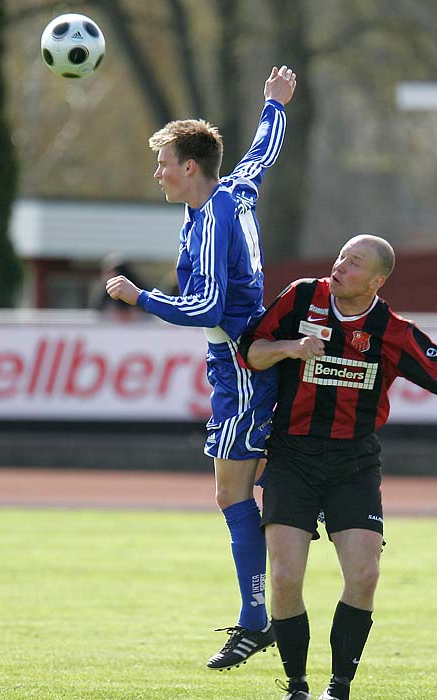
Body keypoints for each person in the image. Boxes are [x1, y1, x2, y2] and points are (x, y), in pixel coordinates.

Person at [238, 234, 437, 700]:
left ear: (377, 280)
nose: (340, 265)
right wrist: (289, 348)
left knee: (364, 575)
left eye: (354, 262)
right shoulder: (303, 295)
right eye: (342, 256)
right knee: (285, 577)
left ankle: (339, 686)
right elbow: (252, 351)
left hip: (353, 461)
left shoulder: (392, 330)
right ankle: (297, 686)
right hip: (292, 455)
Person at [105, 65, 297, 669]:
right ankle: (264, 607)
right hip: (243, 360)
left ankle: (257, 617)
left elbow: (206, 305)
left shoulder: (212, 217)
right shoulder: (233, 189)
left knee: (231, 491)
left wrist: (142, 299)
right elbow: (260, 156)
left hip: (241, 365)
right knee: (250, 486)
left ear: (190, 167)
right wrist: (275, 105)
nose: (158, 172)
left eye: (164, 162)